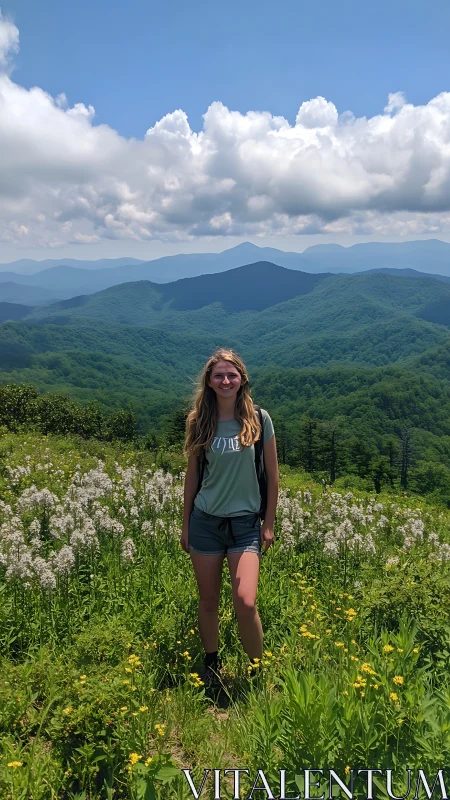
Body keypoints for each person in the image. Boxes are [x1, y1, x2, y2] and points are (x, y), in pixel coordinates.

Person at [180, 347, 279, 683]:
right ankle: (211, 663)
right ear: (209, 380)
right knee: (207, 600)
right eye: (219, 375)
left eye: (231, 375)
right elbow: (192, 476)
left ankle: (256, 668)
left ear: (242, 380)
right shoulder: (198, 421)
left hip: (245, 525)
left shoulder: (260, 419)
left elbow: (273, 475)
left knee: (245, 600)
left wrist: (269, 524)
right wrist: (185, 526)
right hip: (205, 522)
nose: (225, 380)